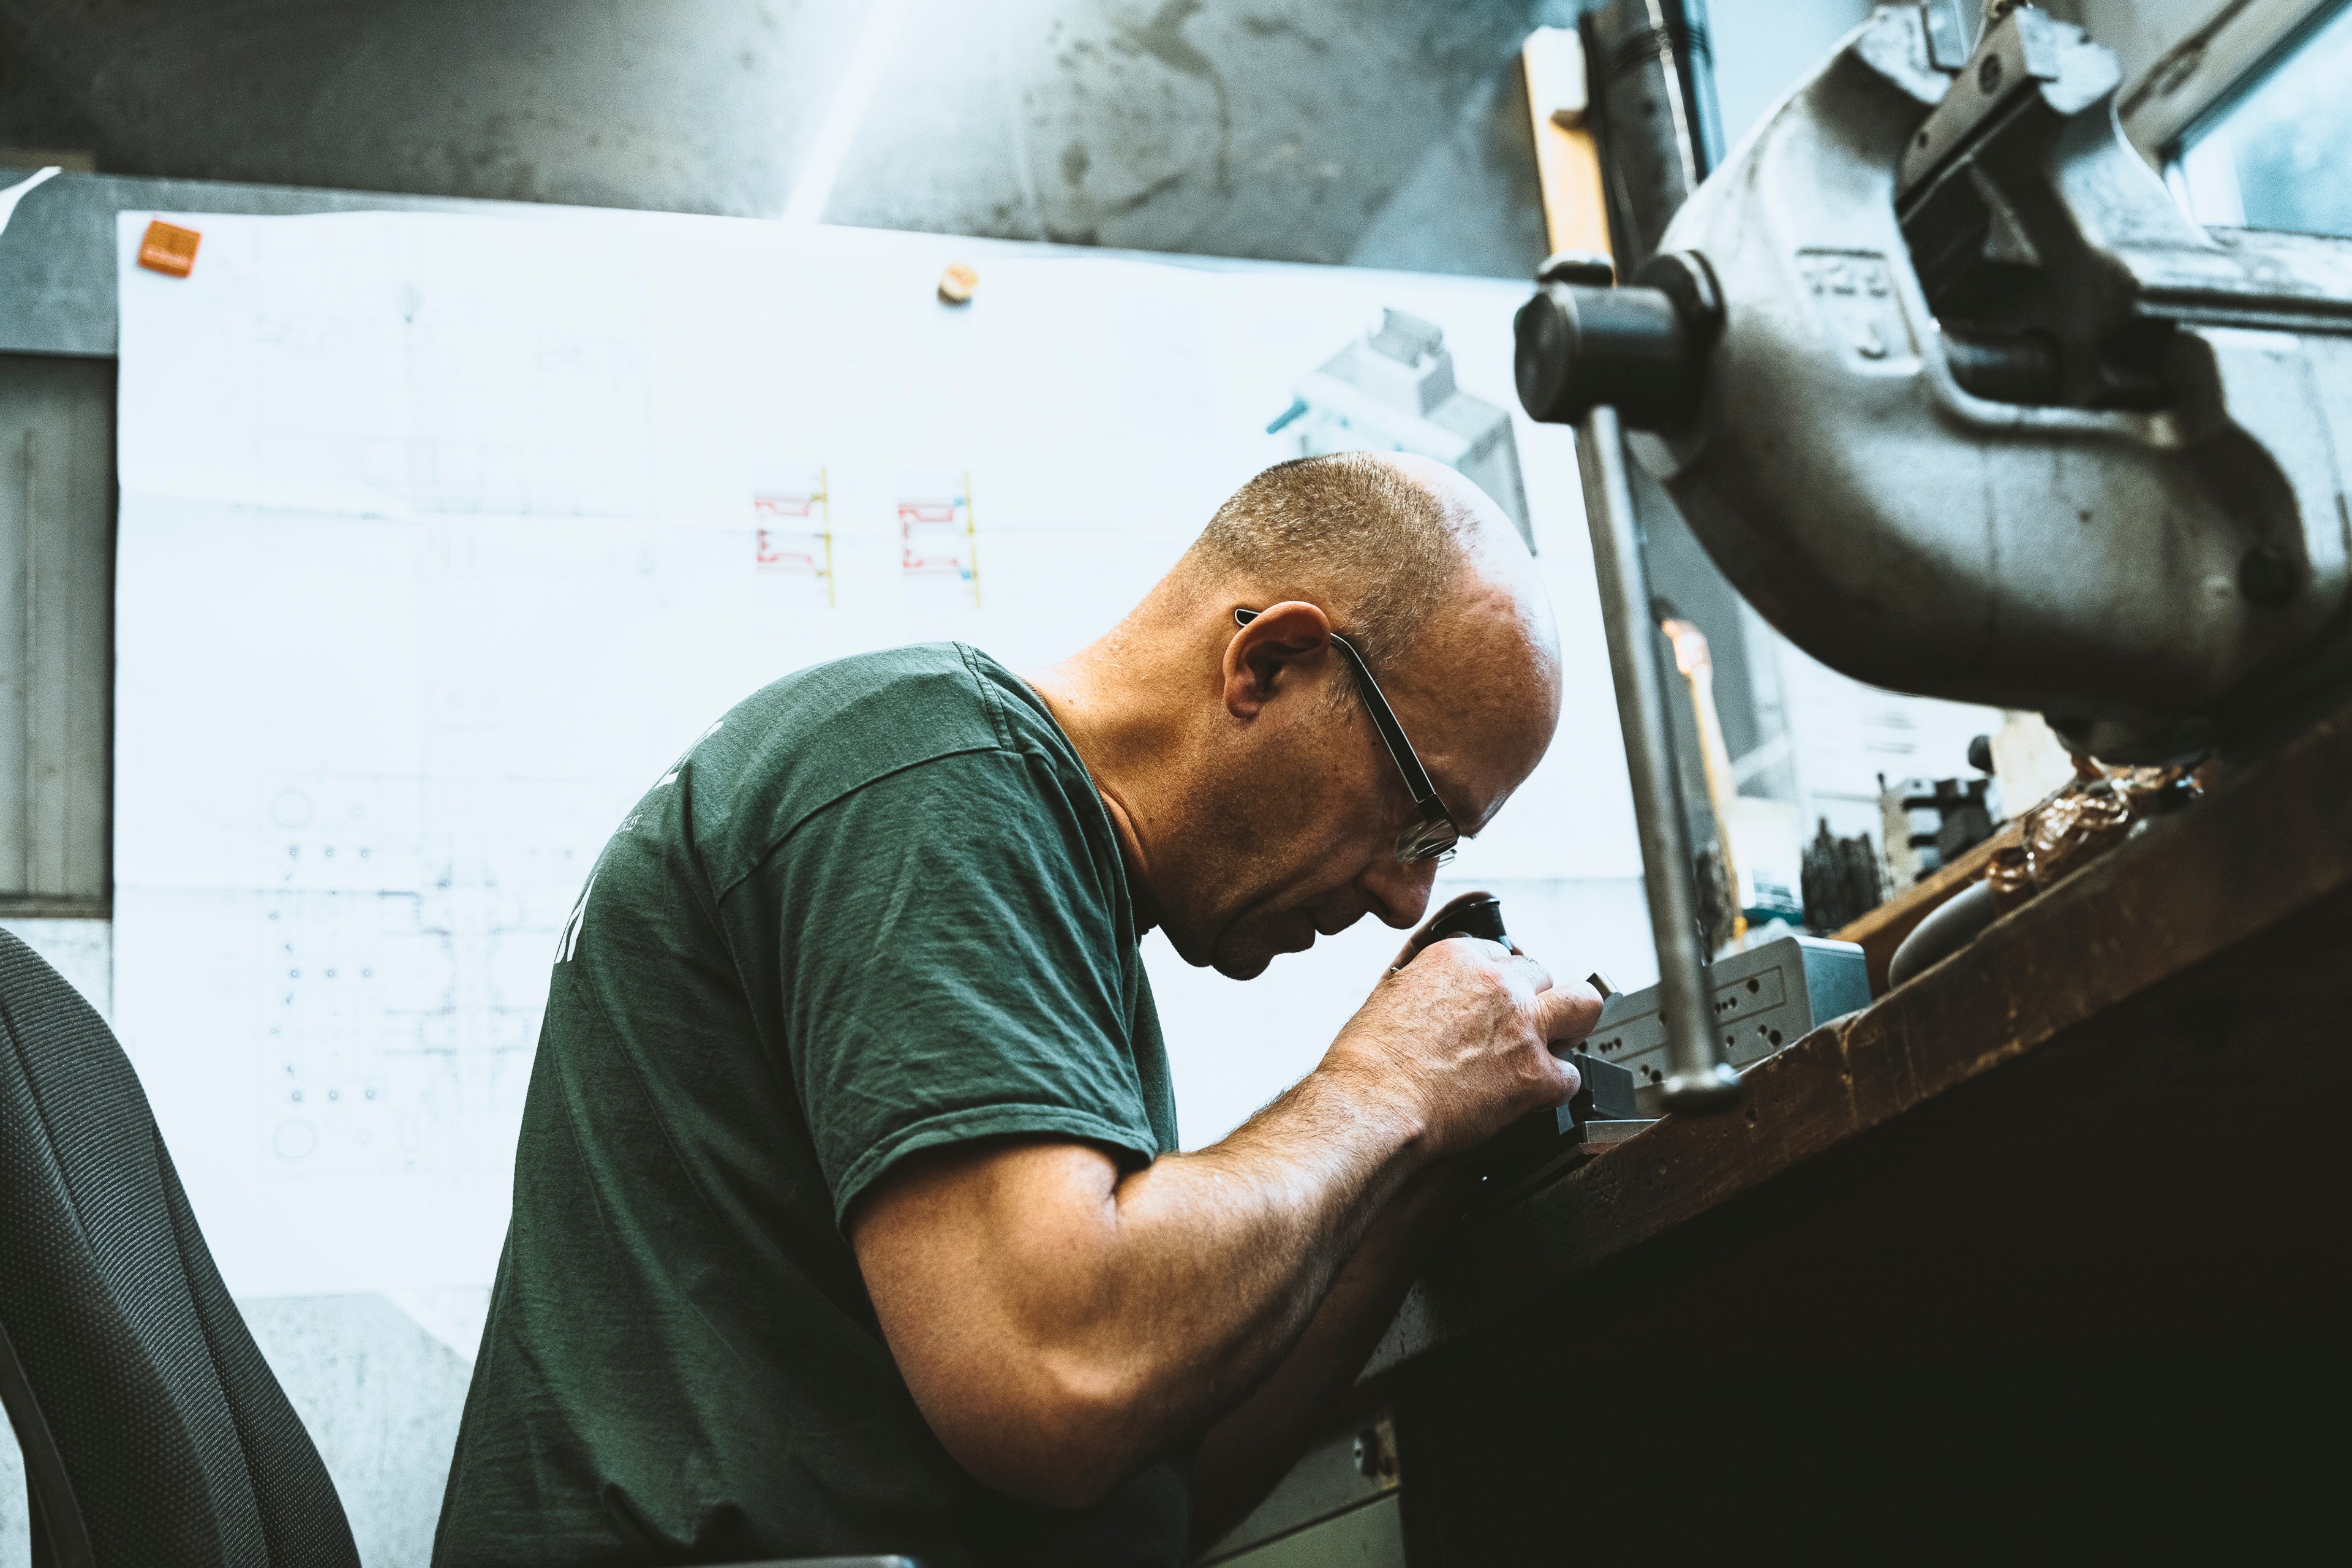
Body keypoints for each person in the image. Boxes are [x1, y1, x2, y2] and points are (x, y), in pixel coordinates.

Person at [431, 451, 1604, 1568]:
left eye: (1441, 853)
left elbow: (1138, 1476)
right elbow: (1061, 1380)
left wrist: (1415, 1169)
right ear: (1272, 664)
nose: (1405, 896)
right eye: (1417, 818)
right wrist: (1387, 1087)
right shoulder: (935, 778)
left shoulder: (1045, 881)